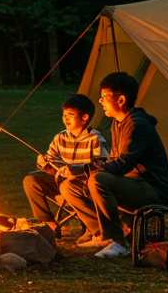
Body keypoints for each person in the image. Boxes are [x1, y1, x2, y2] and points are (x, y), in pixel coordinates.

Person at [60, 71, 168, 259]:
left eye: (105, 96)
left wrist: (86, 169)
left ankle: (117, 241)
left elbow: (123, 165)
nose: (100, 101)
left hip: (153, 189)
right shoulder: (118, 123)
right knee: (69, 185)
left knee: (98, 179)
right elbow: (113, 160)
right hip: (130, 184)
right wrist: (81, 171)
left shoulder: (137, 124)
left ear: (121, 100)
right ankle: (101, 233)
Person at [22, 94, 108, 241]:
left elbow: (102, 165)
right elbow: (53, 161)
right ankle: (49, 225)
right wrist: (45, 164)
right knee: (31, 180)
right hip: (61, 183)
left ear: (85, 117)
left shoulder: (95, 139)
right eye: (64, 115)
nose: (66, 118)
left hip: (84, 189)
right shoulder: (60, 138)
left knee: (68, 184)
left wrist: (76, 170)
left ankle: (94, 229)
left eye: (70, 115)